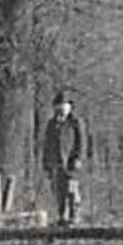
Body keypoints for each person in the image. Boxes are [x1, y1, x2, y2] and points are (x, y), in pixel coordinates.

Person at [42, 90, 84, 226]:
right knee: (58, 190)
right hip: (56, 162)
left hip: (71, 162)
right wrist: (46, 162)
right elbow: (46, 143)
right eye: (58, 105)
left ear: (69, 106)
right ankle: (62, 216)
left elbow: (81, 142)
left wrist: (78, 157)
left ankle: (74, 216)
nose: (61, 108)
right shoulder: (51, 124)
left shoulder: (75, 123)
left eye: (64, 105)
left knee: (72, 190)